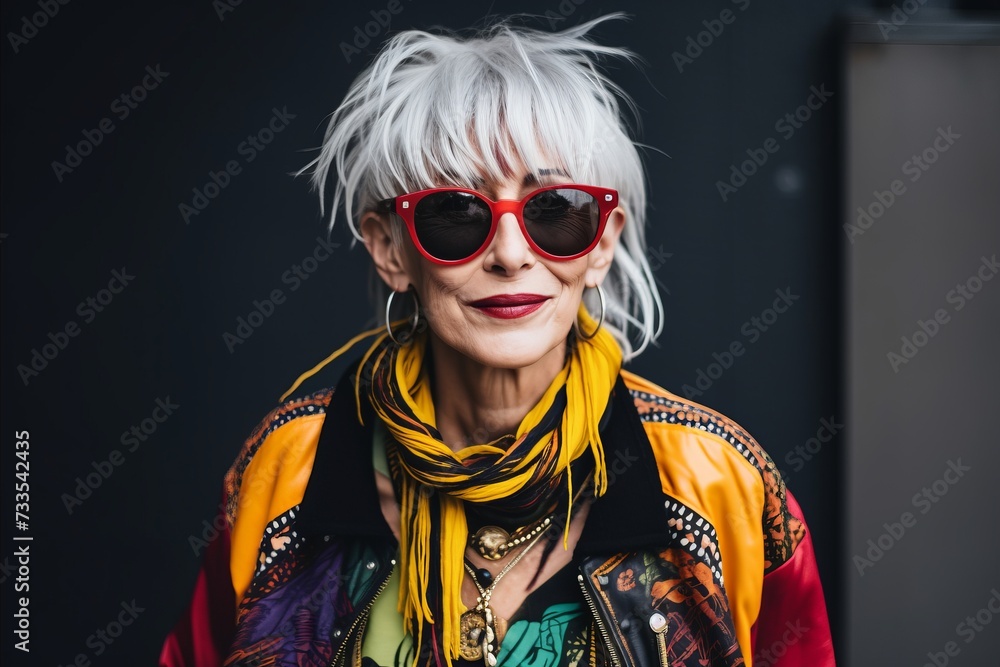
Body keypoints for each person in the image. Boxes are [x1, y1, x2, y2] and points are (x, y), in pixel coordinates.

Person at [161, 15, 835, 667]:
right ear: (390, 249)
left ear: (601, 243)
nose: (511, 254)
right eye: (456, 213)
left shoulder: (722, 485)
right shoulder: (287, 472)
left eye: (555, 211)